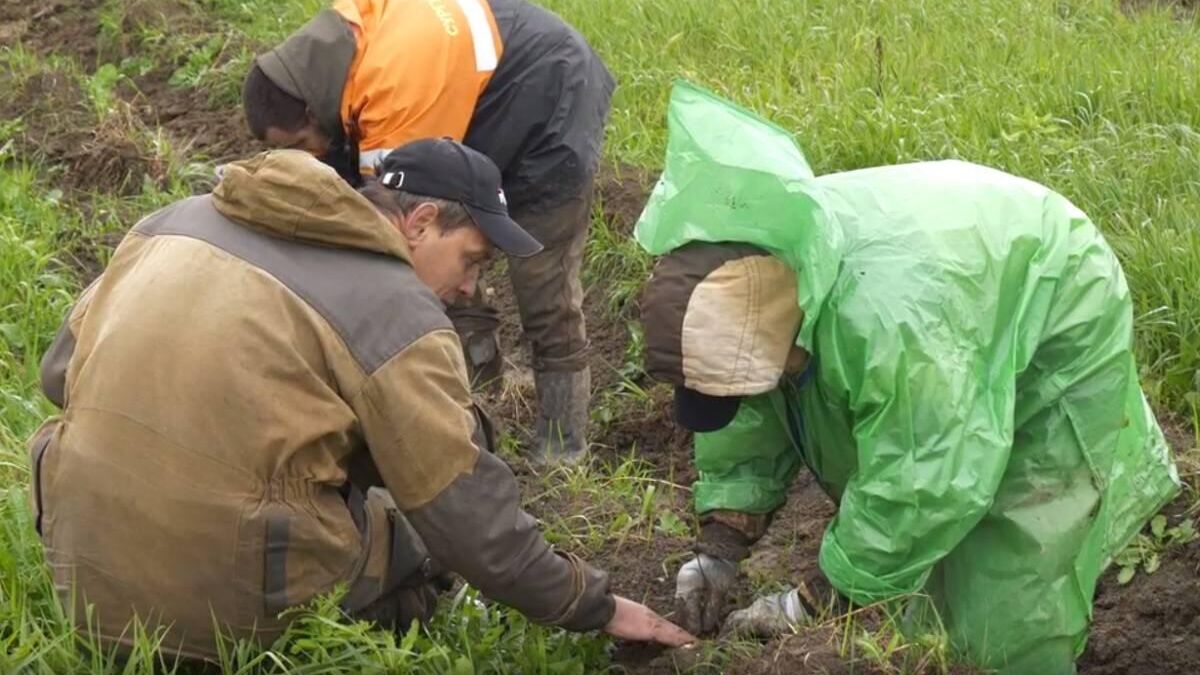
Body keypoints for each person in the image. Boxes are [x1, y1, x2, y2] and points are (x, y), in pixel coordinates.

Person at [27, 138, 692, 661]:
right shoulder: (397, 311)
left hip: (76, 578)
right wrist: (593, 603)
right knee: (415, 532)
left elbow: (60, 373)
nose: (470, 289)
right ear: (422, 222)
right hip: (222, 621)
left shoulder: (172, 221)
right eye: (473, 260)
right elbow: (466, 518)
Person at [634, 82, 1180, 674]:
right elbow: (751, 406)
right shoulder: (758, 278)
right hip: (949, 292)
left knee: (1009, 576)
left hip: (1053, 293)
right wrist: (720, 547)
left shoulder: (889, 329)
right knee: (919, 556)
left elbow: (927, 476)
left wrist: (816, 600)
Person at [241, 0, 615, 465]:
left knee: (538, 279)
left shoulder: (396, 84)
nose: (310, 156)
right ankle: (477, 396)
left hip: (550, 101)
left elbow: (390, 241)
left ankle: (564, 448)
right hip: (473, 101)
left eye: (301, 145)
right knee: (447, 254)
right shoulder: (335, 59)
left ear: (313, 114)